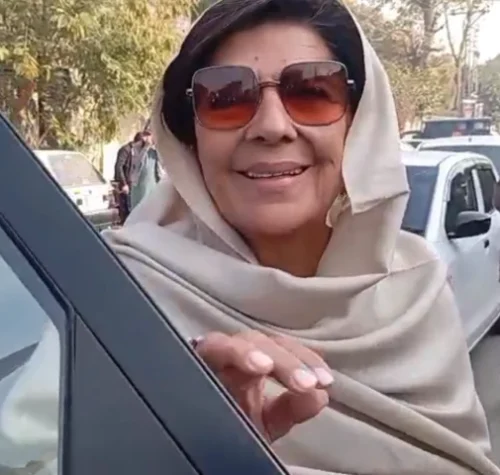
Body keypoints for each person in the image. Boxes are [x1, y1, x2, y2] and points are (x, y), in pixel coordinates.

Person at [2, 0, 500, 474]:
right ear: (190, 137)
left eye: (311, 91)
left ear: (359, 121)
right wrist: (177, 438)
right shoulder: (119, 294)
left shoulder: (416, 289)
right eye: (226, 98)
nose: (272, 126)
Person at [113, 131, 148, 224]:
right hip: (126, 185)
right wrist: (124, 184)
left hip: (133, 185)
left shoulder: (139, 153)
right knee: (126, 211)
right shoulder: (126, 150)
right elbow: (119, 166)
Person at [128, 132, 164, 210]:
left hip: (152, 187)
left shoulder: (155, 152)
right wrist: (145, 147)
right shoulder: (135, 150)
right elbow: (137, 165)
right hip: (140, 188)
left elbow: (161, 168)